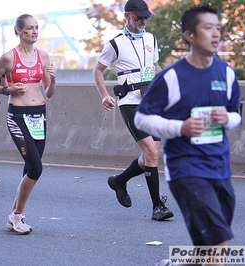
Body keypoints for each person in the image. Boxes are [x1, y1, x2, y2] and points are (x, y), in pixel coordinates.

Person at [135, 4, 241, 266]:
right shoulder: (172, 76)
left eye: (218, 28)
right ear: (190, 35)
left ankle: (178, 263)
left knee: (210, 243)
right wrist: (179, 128)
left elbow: (235, 113)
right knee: (220, 242)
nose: (216, 34)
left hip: (219, 166)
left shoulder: (226, 72)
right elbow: (141, 117)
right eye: (208, 28)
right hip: (186, 168)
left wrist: (227, 119)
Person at [93, 0, 173, 221]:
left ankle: (119, 181)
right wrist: (104, 95)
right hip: (130, 101)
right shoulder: (114, 44)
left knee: (150, 155)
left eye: (146, 17)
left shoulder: (151, 39)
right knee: (151, 152)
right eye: (139, 18)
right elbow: (98, 70)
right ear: (127, 16)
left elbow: (154, 66)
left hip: (153, 100)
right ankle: (157, 206)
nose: (143, 22)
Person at [0, 14, 57, 234]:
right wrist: (8, 89)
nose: (34, 32)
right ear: (19, 31)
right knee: (36, 168)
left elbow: (49, 93)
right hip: (18, 116)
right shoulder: (9, 58)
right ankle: (16, 215)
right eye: (29, 29)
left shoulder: (43, 56)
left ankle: (15, 214)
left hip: (39, 115)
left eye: (36, 28)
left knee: (30, 168)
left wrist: (53, 79)